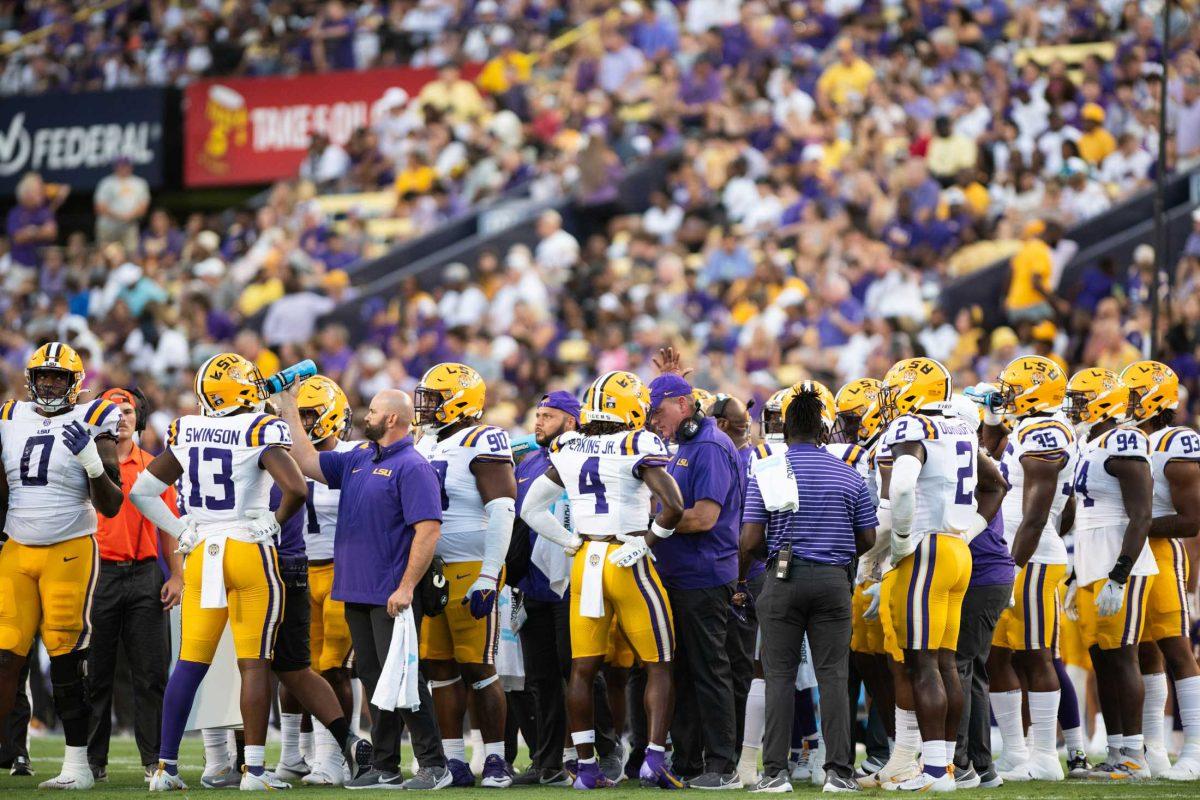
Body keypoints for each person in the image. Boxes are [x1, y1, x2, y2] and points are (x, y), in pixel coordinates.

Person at [129, 353, 313, 790]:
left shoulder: (188, 428)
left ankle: (165, 768)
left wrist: (179, 528)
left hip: (202, 550)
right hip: (248, 549)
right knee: (254, 665)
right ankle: (254, 771)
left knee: (190, 663)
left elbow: (142, 491)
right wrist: (273, 522)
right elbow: (296, 489)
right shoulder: (260, 428)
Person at [277, 386, 451, 790]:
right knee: (374, 678)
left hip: (391, 592)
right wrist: (287, 404)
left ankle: (434, 763)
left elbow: (428, 530)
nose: (365, 416)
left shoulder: (412, 465)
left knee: (403, 677)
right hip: (355, 588)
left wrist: (407, 586)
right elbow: (305, 460)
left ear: (392, 419)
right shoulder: (359, 456)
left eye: (372, 411)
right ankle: (385, 764)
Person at [520, 371, 685, 790]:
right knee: (659, 663)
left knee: (581, 668)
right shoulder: (637, 443)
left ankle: (587, 767)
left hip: (587, 560)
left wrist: (570, 541)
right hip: (627, 556)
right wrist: (649, 541)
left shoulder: (568, 445)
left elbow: (531, 510)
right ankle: (653, 760)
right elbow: (674, 506)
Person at [736, 382, 878, 793]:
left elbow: (747, 540)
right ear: (822, 431)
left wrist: (758, 566)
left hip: (782, 577)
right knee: (833, 676)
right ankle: (838, 771)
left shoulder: (768, 469)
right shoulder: (847, 472)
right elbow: (868, 537)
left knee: (778, 677)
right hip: (834, 580)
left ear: (784, 429)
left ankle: (775, 772)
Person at [0, 342, 124, 790]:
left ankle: (77, 766)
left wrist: (92, 461)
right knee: (5, 655)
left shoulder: (94, 419)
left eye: (60, 377)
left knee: (66, 655)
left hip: (69, 547)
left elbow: (112, 505)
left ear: (76, 383)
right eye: (44, 376)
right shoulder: (10, 415)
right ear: (32, 379)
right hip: (16, 546)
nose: (50, 383)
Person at [880, 357, 1007, 792]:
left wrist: (898, 541)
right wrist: (968, 530)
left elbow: (900, 488)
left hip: (927, 548)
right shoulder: (958, 426)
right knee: (947, 661)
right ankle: (948, 767)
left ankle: (936, 770)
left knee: (923, 662)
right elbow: (997, 484)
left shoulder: (914, 428)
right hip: (956, 550)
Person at [413, 363, 517, 787]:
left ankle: (495, 759)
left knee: (479, 666)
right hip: (432, 569)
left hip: (473, 565)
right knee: (439, 668)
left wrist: (489, 575)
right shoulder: (426, 442)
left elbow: (503, 509)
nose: (427, 407)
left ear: (460, 399)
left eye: (435, 398)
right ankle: (454, 760)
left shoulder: (482, 438)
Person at [511, 392, 623, 786]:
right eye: (537, 414)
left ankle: (607, 750)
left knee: (579, 668)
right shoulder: (527, 464)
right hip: (534, 581)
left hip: (578, 575)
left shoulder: (586, 457)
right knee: (540, 677)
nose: (538, 421)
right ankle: (548, 761)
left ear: (572, 421)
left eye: (549, 415)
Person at [976, 356, 1077, 782]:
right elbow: (1064, 508)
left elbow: (1038, 514)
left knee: (1037, 655)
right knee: (998, 654)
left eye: (1014, 389)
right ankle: (1016, 754)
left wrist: (1014, 565)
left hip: (1031, 558)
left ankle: (1044, 756)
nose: (1008, 396)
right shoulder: (1030, 428)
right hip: (1017, 553)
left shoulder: (1046, 431)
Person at [645, 373, 744, 789]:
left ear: (683, 404)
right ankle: (686, 759)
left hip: (702, 574)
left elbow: (704, 516)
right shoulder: (684, 444)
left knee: (708, 669)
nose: (653, 421)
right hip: (678, 575)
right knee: (680, 670)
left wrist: (650, 530)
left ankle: (722, 763)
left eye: (658, 411)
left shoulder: (708, 445)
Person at [1061, 367, 1155, 780]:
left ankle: (1134, 755)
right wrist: (1075, 571)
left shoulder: (1125, 438)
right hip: (1091, 562)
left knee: (1122, 656)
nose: (1074, 406)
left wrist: (1120, 574)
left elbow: (1141, 515)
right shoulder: (1089, 440)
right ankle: (1116, 752)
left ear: (1103, 401)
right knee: (1102, 658)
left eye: (1081, 399)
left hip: (1121, 563)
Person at [86, 387, 183, 782]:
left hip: (145, 573)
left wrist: (177, 574)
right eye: (113, 412)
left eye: (127, 411)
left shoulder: (154, 467)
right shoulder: (89, 465)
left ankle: (153, 762)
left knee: (151, 673)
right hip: (97, 574)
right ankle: (91, 763)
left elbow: (169, 526)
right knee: (94, 674)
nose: (121, 418)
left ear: (137, 418)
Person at [1121, 361, 1200, 779]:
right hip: (1133, 556)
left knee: (1176, 649)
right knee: (1142, 650)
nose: (1125, 403)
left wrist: (1137, 526)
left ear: (1153, 400)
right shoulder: (1127, 439)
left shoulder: (1176, 442)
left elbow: (1192, 519)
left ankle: (1196, 750)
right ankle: (1153, 749)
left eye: (1133, 395)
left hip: (1162, 553)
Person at [290, 375, 359, 785]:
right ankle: (319, 757)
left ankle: (337, 758)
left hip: (341, 568)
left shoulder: (353, 455)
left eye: (311, 414)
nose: (303, 422)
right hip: (302, 569)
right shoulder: (285, 453)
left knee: (335, 667)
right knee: (308, 667)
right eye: (299, 415)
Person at [945, 395, 1015, 789]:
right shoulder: (976, 454)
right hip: (988, 571)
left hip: (982, 570)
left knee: (959, 664)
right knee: (971, 669)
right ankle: (981, 765)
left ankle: (961, 763)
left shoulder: (967, 456)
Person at [93, 157, 150, 251]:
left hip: (129, 226)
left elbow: (143, 207)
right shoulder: (106, 183)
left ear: (131, 167)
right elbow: (100, 207)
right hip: (108, 226)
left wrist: (129, 216)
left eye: (125, 166)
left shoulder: (139, 183)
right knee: (106, 253)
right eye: (120, 166)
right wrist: (120, 217)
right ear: (115, 167)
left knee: (131, 253)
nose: (123, 168)